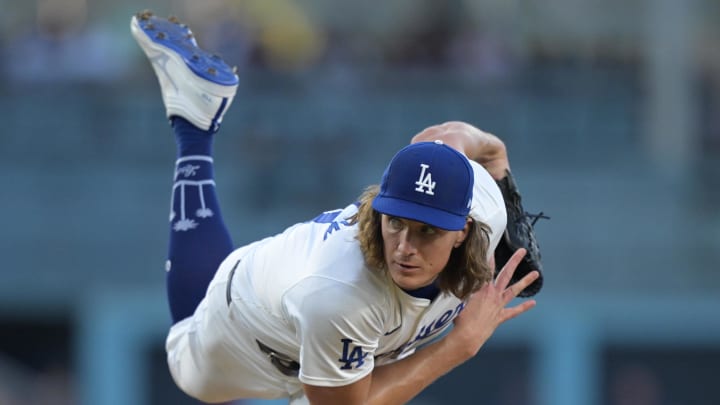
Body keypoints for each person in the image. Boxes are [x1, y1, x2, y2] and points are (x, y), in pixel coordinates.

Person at [130, 10, 539, 405]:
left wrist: (505, 186)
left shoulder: (486, 206)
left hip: (333, 324)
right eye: (394, 221)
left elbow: (461, 140)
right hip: (255, 336)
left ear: (464, 229)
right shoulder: (340, 295)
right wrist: (457, 346)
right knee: (188, 368)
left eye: (428, 230)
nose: (404, 246)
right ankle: (194, 127)